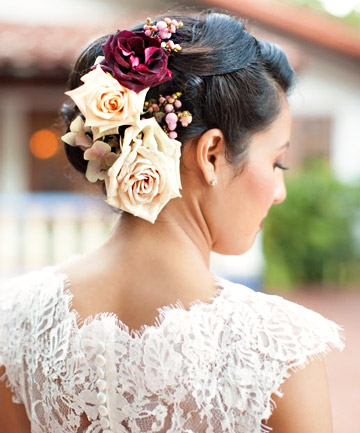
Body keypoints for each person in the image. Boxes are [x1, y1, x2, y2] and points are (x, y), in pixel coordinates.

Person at [0, 10, 344, 433]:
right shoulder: (281, 349)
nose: (279, 191)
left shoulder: (14, 318)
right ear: (212, 153)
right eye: (277, 163)